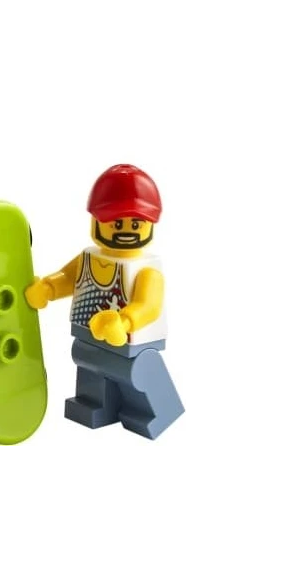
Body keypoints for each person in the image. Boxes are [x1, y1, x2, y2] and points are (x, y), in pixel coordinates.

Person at [25, 164, 184, 439]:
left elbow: (148, 306)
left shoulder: (147, 270)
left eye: (136, 223)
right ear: (96, 220)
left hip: (131, 342)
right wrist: (49, 287)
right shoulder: (89, 258)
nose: (126, 231)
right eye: (116, 223)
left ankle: (154, 410)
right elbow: (69, 277)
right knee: (91, 367)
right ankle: (95, 404)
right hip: (89, 336)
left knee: (135, 372)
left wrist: (124, 321)